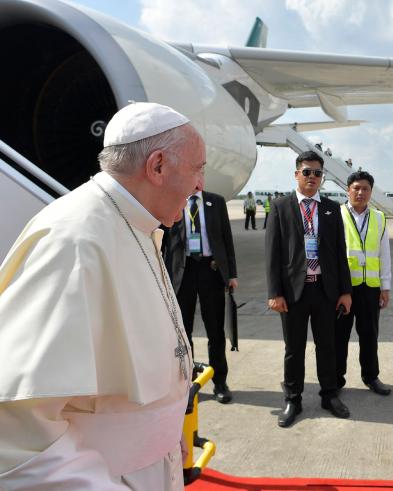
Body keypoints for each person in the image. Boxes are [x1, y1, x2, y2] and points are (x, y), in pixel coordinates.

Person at [0, 102, 202, 489]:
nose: (199, 185)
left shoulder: (133, 225)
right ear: (157, 166)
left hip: (153, 467)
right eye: (197, 168)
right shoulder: (74, 240)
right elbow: (14, 427)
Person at [266, 150, 353, 428]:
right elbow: (273, 253)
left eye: (317, 173)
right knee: (294, 348)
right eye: (307, 172)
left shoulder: (330, 208)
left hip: (325, 291)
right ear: (296, 174)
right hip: (293, 292)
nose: (312, 177)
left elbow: (340, 252)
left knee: (327, 346)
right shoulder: (280, 207)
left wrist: (345, 291)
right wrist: (274, 292)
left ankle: (329, 395)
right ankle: (293, 398)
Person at [165, 188, 238, 404]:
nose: (198, 179)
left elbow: (227, 238)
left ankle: (219, 382)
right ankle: (187, 382)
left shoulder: (216, 202)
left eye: (201, 173)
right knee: (183, 332)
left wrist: (231, 273)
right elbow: (163, 240)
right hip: (183, 272)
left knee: (215, 331)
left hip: (211, 271)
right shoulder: (173, 198)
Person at [335, 171, 392, 396]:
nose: (360, 192)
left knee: (369, 335)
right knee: (339, 336)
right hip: (343, 289)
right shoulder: (335, 215)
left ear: (370, 192)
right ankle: (336, 379)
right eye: (356, 188)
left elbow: (384, 254)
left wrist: (385, 287)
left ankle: (371, 376)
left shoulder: (378, 218)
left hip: (370, 287)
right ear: (348, 189)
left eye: (365, 189)